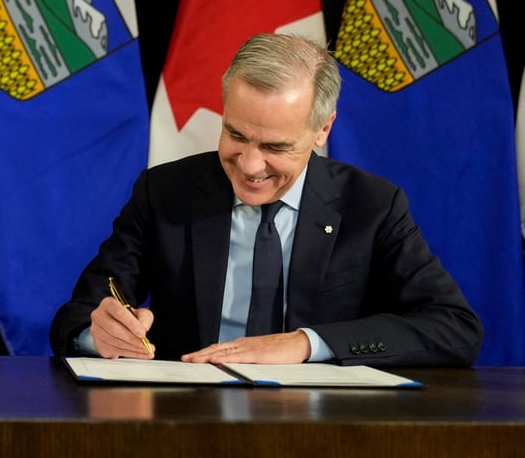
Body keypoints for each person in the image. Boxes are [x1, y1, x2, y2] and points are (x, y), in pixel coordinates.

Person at [50, 33, 483, 367]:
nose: (251, 165)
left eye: (276, 147)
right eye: (236, 135)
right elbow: (77, 315)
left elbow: (455, 328)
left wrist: (306, 344)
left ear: (323, 129)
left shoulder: (371, 206)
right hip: (187, 424)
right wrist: (98, 333)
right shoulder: (166, 192)